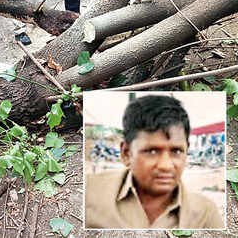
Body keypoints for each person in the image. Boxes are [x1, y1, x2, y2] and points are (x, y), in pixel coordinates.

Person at [85, 95, 224, 229]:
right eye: (152, 151)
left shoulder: (205, 213)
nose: (166, 166)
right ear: (126, 153)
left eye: (176, 151)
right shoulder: (91, 193)